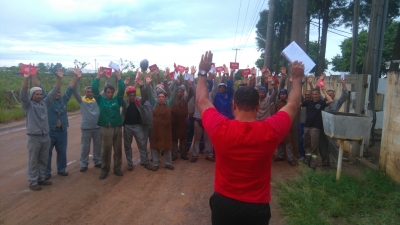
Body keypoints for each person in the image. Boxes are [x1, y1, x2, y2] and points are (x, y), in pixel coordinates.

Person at [196, 51, 304, 224]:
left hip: (224, 204)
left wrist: (202, 73)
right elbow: (293, 105)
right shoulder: (270, 130)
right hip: (257, 207)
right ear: (258, 106)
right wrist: (297, 79)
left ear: (234, 105)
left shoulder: (220, 127)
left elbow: (201, 100)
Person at [20, 71, 63, 191]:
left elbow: (53, 92)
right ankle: (33, 182)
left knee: (43, 159)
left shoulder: (45, 103)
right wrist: (26, 79)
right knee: (33, 160)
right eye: (36, 94)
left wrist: (59, 79)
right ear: (32, 95)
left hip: (45, 136)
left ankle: (41, 178)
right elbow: (23, 94)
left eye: (40, 94)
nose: (39, 96)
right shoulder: (28, 105)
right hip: (34, 137)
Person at [39, 68, 79, 180]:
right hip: (50, 131)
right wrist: (33, 75)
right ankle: (46, 172)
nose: (58, 93)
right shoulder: (48, 101)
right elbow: (40, 87)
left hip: (62, 131)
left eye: (59, 92)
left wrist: (75, 77)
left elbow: (70, 88)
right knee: (47, 152)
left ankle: (61, 169)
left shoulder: (64, 100)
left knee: (62, 151)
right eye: (56, 91)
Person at [92, 67, 125, 179]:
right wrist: (98, 76)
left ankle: (117, 168)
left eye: (111, 92)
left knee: (118, 149)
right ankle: (105, 169)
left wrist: (119, 77)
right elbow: (94, 89)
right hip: (106, 129)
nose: (110, 94)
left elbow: (121, 90)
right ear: (105, 93)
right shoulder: (101, 100)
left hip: (117, 128)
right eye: (108, 92)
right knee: (105, 150)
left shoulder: (117, 100)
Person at [145, 73, 178, 171]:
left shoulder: (169, 104)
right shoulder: (154, 103)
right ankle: (155, 164)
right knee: (155, 148)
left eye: (162, 97)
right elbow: (150, 94)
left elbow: (174, 96)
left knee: (167, 147)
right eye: (159, 97)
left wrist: (176, 85)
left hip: (167, 130)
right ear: (157, 98)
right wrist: (148, 84)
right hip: (156, 130)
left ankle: (168, 163)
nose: (161, 98)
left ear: (165, 98)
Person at [72, 67, 102, 172]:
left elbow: (106, 89)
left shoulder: (98, 100)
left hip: (98, 127)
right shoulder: (82, 101)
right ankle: (84, 164)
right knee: (85, 147)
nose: (90, 93)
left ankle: (97, 161)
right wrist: (77, 78)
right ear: (85, 93)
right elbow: (75, 91)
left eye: (91, 91)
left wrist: (105, 78)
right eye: (88, 92)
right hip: (86, 128)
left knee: (98, 146)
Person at [121, 77, 152, 171]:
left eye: (134, 95)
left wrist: (142, 86)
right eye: (130, 95)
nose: (132, 97)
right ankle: (130, 163)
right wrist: (124, 85)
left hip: (138, 126)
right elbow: (119, 95)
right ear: (127, 96)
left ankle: (145, 161)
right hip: (127, 127)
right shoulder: (124, 102)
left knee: (142, 144)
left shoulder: (138, 101)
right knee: (127, 146)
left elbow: (145, 97)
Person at [302, 85, 333, 170]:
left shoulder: (322, 102)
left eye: (316, 94)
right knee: (306, 145)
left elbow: (330, 100)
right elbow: (299, 103)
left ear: (319, 94)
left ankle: (313, 165)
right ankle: (307, 161)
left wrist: (324, 92)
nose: (314, 96)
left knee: (314, 147)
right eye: (313, 94)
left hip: (315, 128)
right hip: (306, 127)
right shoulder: (308, 102)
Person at [321, 77, 349, 167]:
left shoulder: (337, 102)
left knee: (333, 145)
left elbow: (344, 96)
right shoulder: (323, 102)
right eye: (328, 94)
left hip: (331, 127)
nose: (330, 96)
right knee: (322, 146)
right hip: (322, 126)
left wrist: (343, 83)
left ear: (334, 95)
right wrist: (321, 80)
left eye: (331, 95)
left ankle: (337, 164)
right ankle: (325, 162)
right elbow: (317, 91)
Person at [171, 76, 193, 161]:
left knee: (183, 139)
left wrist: (189, 84)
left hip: (183, 123)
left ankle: (183, 154)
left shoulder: (185, 100)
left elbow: (191, 93)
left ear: (183, 93)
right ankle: (174, 154)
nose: (179, 93)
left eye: (181, 92)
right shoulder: (172, 100)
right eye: (178, 92)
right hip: (174, 123)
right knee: (174, 140)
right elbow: (168, 89)